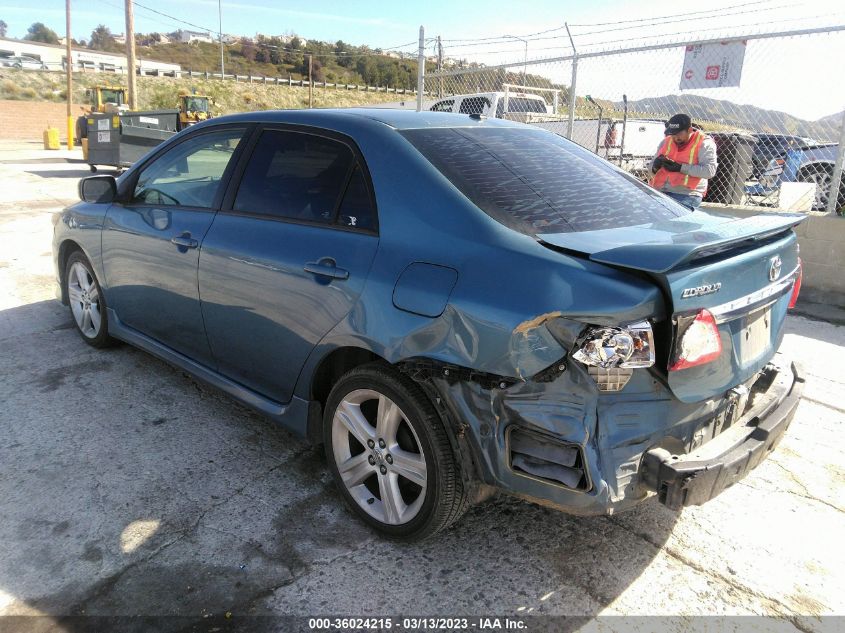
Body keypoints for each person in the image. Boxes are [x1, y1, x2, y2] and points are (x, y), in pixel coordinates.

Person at [650, 113, 717, 210]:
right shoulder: (666, 141)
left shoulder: (704, 143)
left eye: (679, 133)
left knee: (672, 222)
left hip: (686, 194)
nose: (675, 137)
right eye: (673, 133)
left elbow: (709, 171)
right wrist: (654, 167)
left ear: (689, 130)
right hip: (659, 190)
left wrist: (680, 168)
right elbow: (650, 169)